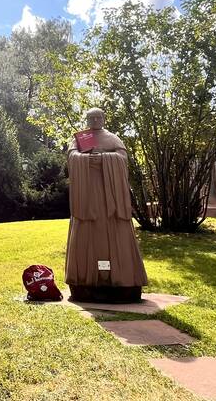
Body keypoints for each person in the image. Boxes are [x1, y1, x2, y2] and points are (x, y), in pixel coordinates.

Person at [65, 107, 148, 303]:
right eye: (91, 117)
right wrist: (86, 159)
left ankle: (123, 279)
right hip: (87, 198)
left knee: (116, 230)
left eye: (98, 117)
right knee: (85, 230)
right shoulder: (81, 138)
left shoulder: (113, 138)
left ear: (103, 118)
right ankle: (84, 280)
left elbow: (122, 159)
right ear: (87, 119)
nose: (94, 120)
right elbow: (72, 157)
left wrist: (103, 158)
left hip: (110, 199)